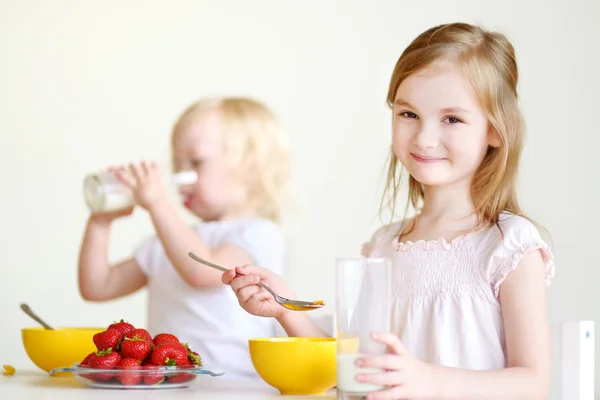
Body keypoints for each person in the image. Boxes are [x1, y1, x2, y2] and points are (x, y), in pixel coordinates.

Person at [221, 23, 555, 399]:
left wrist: (426, 380)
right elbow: (350, 367)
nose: (424, 137)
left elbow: (533, 382)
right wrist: (285, 307)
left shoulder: (509, 246)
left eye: (452, 119)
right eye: (408, 114)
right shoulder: (384, 246)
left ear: (495, 130)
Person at [78, 96, 292, 380]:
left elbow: (203, 272)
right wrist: (100, 223)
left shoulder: (257, 233)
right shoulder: (169, 240)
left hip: (235, 386)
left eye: (196, 162)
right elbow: (97, 286)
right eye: (177, 164)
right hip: (171, 385)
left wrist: (158, 205)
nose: (181, 176)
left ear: (252, 169)